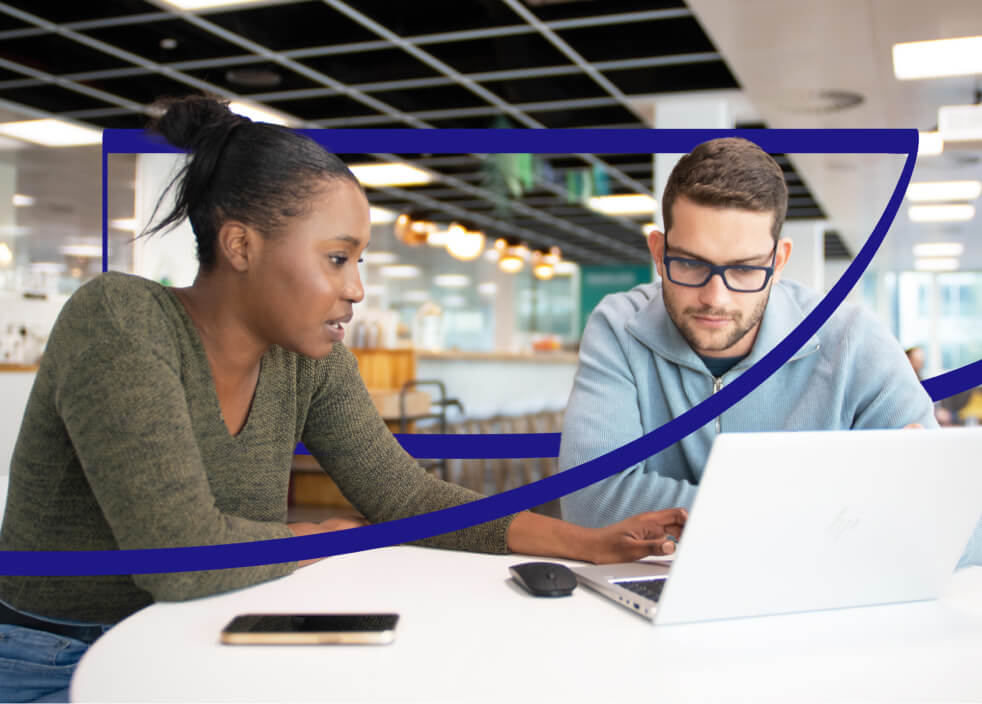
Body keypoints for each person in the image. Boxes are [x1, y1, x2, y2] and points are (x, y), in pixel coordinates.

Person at [0, 96, 686, 703]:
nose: (357, 288)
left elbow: (406, 499)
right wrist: (323, 540)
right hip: (60, 656)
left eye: (359, 260)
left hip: (212, 631)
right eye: (338, 258)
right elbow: (179, 555)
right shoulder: (120, 319)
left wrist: (586, 544)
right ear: (241, 244)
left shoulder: (307, 361)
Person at [559, 137, 981, 558]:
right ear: (658, 252)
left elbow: (957, 528)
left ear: (778, 262)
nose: (715, 298)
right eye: (689, 263)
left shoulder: (855, 342)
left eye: (743, 269)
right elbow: (590, 503)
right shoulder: (619, 327)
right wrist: (832, 509)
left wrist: (735, 515)